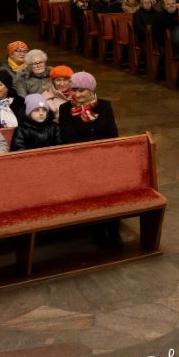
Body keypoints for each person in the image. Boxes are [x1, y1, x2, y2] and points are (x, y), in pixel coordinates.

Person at [58, 71, 124, 249]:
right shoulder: (66, 109)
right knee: (95, 192)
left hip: (105, 160)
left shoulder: (104, 106)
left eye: (82, 91)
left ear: (91, 89)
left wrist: (104, 156)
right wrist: (91, 153)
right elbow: (68, 138)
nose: (78, 95)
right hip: (81, 162)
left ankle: (114, 231)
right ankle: (98, 230)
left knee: (112, 191)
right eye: (75, 90)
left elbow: (112, 134)